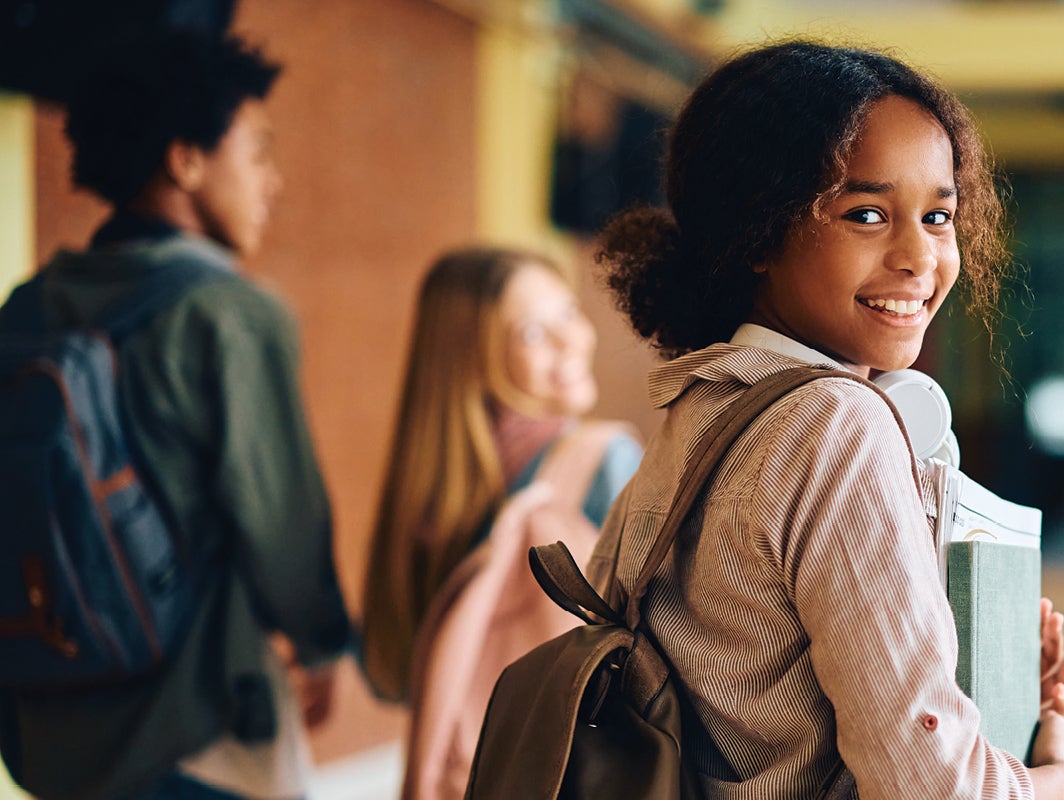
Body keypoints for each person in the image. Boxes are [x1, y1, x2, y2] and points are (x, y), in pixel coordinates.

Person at [585, 41, 1064, 799]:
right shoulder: (836, 425)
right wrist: (1061, 781)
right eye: (865, 214)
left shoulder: (698, 410)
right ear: (758, 229)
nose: (919, 255)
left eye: (939, 216)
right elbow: (931, 788)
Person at [0, 33, 351, 800]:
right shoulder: (231, 313)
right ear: (184, 160)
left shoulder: (27, 307)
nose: (275, 180)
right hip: (194, 729)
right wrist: (324, 645)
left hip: (48, 727)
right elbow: (281, 519)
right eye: (258, 153)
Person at [357, 248, 642, 800]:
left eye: (567, 313)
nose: (572, 339)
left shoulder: (429, 498)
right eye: (534, 333)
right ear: (474, 356)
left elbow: (386, 672)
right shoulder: (601, 462)